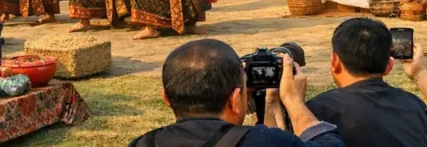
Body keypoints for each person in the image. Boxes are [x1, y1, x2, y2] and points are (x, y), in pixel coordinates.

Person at [129, 39, 344, 146]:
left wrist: (268, 106)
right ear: (234, 100)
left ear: (166, 98)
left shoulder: (144, 143)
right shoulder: (264, 141)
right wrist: (293, 101)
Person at [306, 18, 427, 147]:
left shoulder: (315, 112)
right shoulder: (414, 106)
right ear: (389, 66)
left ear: (334, 61)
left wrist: (293, 102)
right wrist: (420, 73)